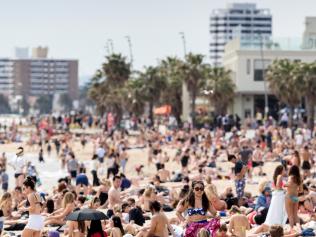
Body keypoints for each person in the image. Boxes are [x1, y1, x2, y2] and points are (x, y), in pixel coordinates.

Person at [285, 165, 302, 230]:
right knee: (295, 214)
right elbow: (301, 190)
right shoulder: (299, 179)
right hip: (295, 197)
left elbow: (289, 184)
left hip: (289, 196)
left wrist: (285, 185)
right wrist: (295, 189)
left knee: (290, 215)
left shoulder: (290, 177)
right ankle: (299, 228)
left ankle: (291, 229)